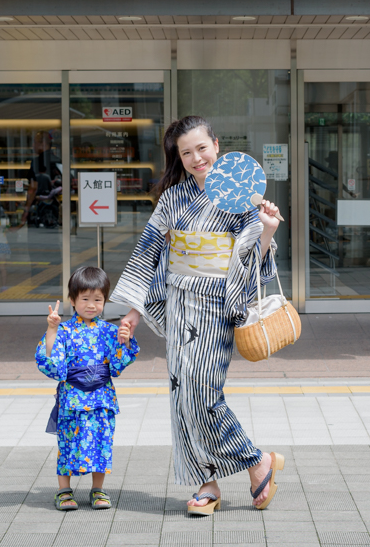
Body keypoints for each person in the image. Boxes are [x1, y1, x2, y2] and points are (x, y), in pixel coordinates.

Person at [112, 115, 286, 516]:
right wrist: (134, 312)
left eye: (201, 148)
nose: (195, 158)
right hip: (179, 305)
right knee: (180, 394)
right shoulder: (173, 199)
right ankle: (207, 483)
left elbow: (251, 261)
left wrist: (267, 231)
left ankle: (255, 459)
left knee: (203, 391)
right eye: (186, 152)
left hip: (216, 307)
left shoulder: (244, 198)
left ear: (217, 145)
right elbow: (149, 253)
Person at [37, 266, 139, 512]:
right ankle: (64, 490)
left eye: (98, 299)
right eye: (85, 299)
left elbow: (117, 366)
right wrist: (51, 329)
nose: (91, 305)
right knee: (68, 442)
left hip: (102, 397)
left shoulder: (109, 331)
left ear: (105, 300)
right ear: (73, 300)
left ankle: (98, 489)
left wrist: (124, 339)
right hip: (72, 396)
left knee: (102, 443)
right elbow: (52, 364)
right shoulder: (63, 331)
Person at [17, 130, 63, 229]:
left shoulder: (37, 162)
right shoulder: (59, 161)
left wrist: (26, 210)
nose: (33, 145)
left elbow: (33, 188)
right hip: (55, 209)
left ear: (43, 144)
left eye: (35, 142)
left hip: (38, 210)